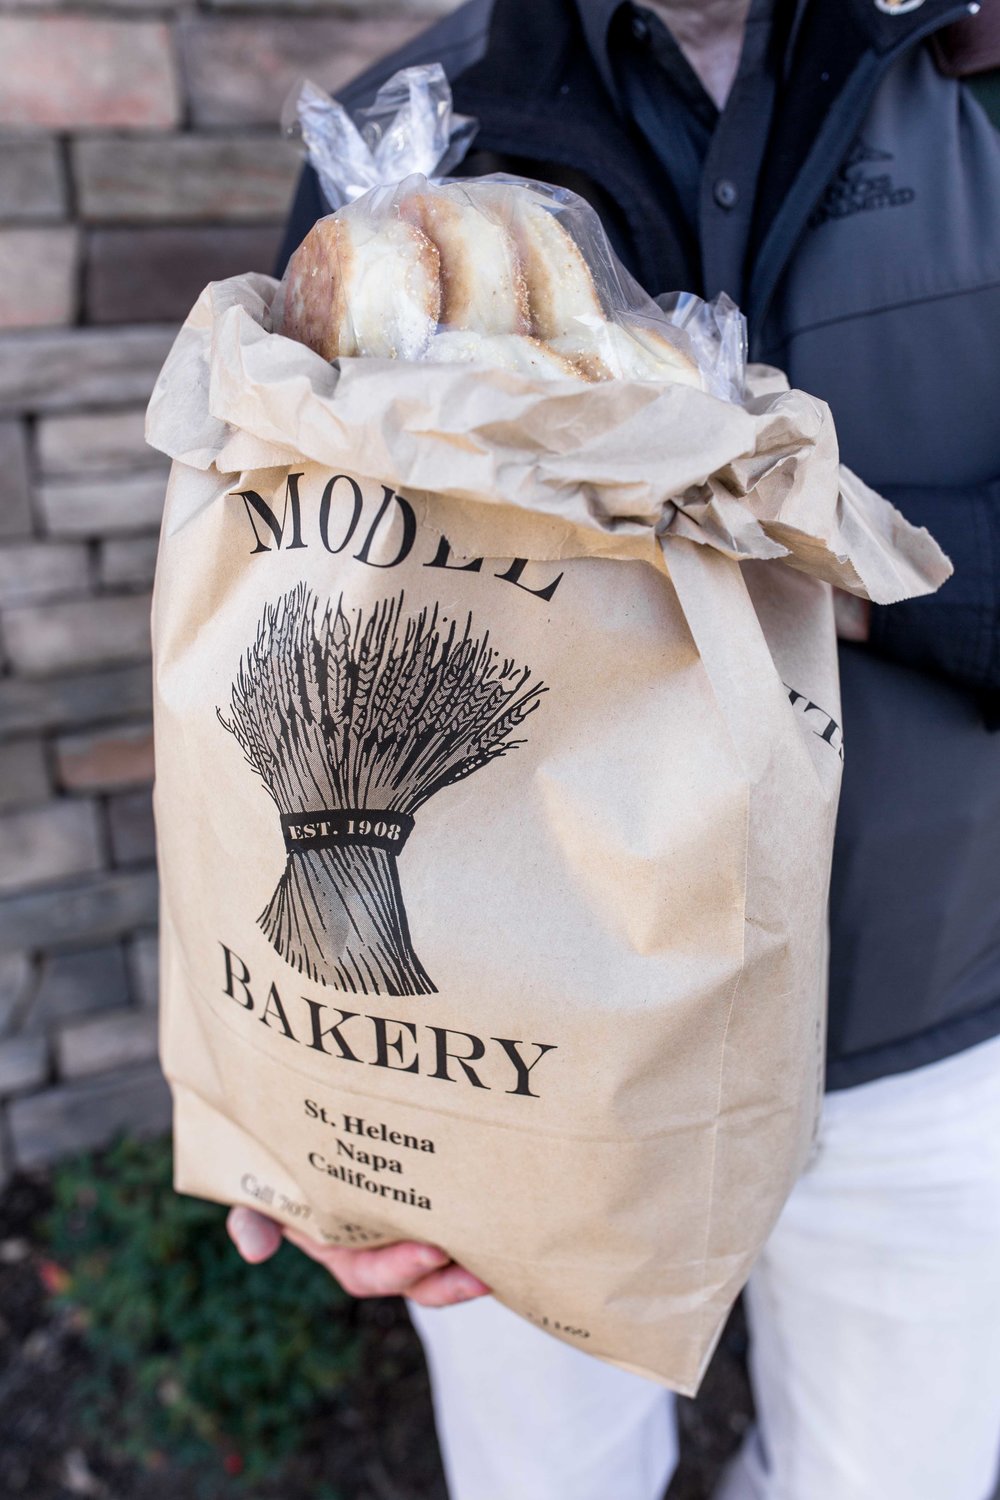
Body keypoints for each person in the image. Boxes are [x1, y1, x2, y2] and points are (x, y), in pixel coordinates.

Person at [227, 2, 1000, 1495]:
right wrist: (293, 1085)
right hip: (509, 1054)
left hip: (929, 1023)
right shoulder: (404, 144)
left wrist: (777, 573)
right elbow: (294, 613)